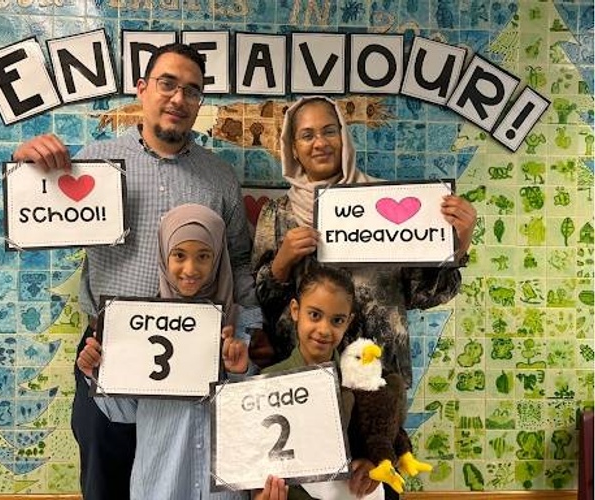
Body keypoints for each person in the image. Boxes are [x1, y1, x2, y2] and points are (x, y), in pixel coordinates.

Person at [13, 43, 257, 500]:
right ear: (142, 89)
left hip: (192, 363)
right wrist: (29, 163)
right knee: (105, 483)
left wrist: (246, 327)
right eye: (167, 84)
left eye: (192, 90)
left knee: (173, 486)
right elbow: (34, 212)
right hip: (106, 354)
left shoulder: (220, 177)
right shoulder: (95, 163)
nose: (179, 99)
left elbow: (239, 260)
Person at [252, 96, 477, 499]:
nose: (319, 142)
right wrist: (282, 262)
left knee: (370, 486)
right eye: (307, 135)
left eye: (329, 130)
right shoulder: (279, 215)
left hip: (379, 392)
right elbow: (263, 301)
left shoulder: (387, 205)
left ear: (344, 136)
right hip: (305, 392)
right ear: (293, 146)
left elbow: (423, 293)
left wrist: (458, 244)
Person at [75, 203, 283, 500]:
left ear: (218, 258)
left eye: (204, 256)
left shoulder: (239, 328)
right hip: (160, 485)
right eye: (179, 255)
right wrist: (97, 373)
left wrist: (240, 372)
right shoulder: (137, 327)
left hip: (221, 491)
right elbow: (125, 413)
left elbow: (252, 417)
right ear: (163, 255)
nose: (190, 269)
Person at [261, 264, 383, 500]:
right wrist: (259, 494)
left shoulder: (361, 381)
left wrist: (371, 465)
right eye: (314, 315)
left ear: (349, 322)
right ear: (295, 310)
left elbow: (378, 443)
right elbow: (254, 463)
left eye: (337, 320)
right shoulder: (267, 381)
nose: (324, 330)